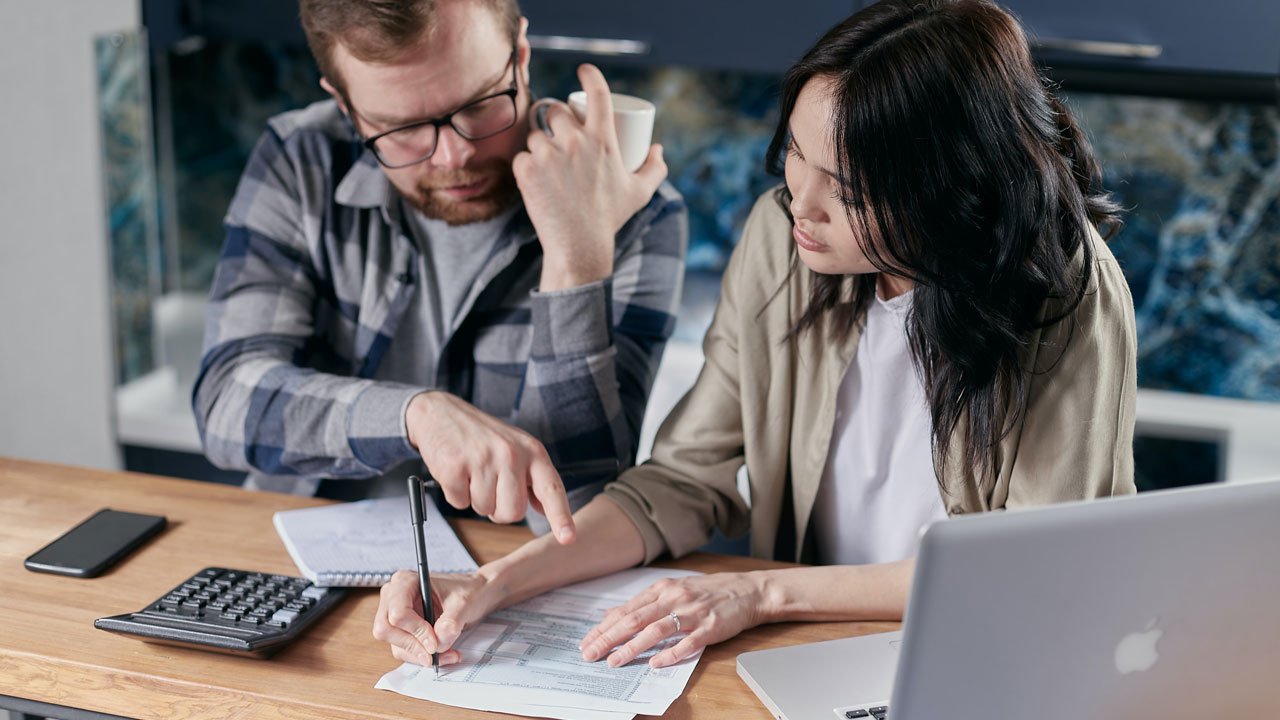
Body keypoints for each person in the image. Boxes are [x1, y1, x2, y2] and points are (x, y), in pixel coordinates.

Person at [372, 0, 1138, 671]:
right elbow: (680, 481)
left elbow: (1030, 570)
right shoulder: (782, 239)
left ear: (949, 189)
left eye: (846, 190)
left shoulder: (1067, 292)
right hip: (809, 649)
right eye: (796, 157)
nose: (798, 204)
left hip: (979, 655)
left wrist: (759, 590)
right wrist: (494, 583)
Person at [192, 0, 688, 541]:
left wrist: (576, 261)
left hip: (509, 578)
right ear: (344, 106)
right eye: (399, 128)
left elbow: (578, 511)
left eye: (478, 105)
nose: (454, 156)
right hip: (299, 554)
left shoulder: (637, 210)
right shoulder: (300, 159)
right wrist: (414, 417)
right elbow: (226, 403)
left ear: (520, 57)